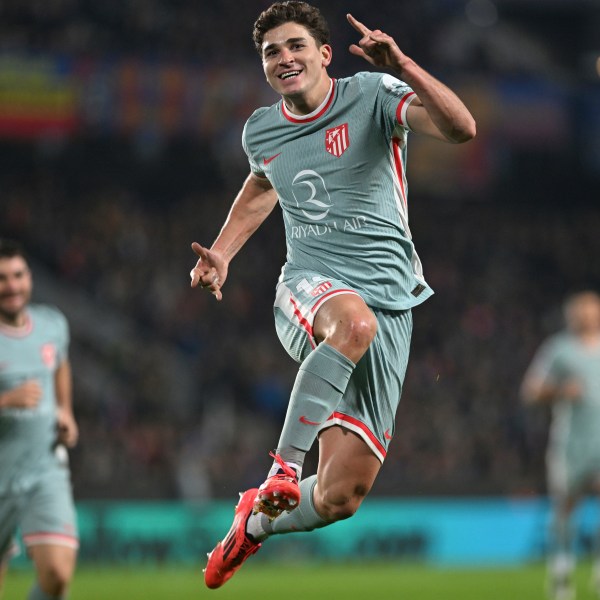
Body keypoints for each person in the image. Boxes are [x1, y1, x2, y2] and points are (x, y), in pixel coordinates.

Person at [189, 2, 476, 589]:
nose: (283, 58)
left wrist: (403, 63)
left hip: (391, 299)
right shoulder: (262, 129)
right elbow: (262, 183)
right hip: (311, 286)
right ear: (264, 67)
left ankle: (254, 526)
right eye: (271, 52)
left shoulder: (372, 93)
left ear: (323, 54)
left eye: (294, 46)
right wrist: (223, 252)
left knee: (343, 495)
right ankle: (281, 469)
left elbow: (460, 128)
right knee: (353, 325)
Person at [0, 239, 79, 600]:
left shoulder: (51, 325)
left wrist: (65, 411)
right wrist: (7, 400)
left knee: (57, 575)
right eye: (2, 278)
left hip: (43, 468)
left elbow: (60, 365)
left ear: (29, 277)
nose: (11, 286)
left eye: (17, 275)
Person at [521, 291, 600, 600]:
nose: (585, 317)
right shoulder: (559, 349)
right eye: (580, 312)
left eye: (591, 311)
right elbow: (530, 391)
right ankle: (562, 573)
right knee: (566, 507)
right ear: (571, 316)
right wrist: (560, 390)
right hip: (570, 443)